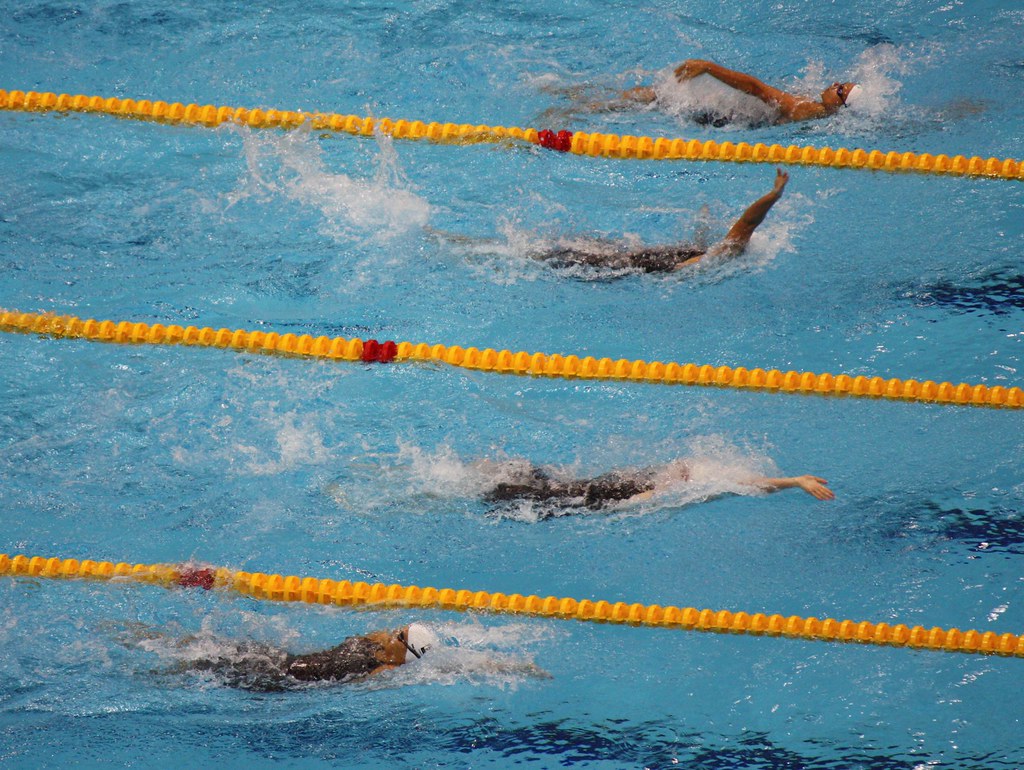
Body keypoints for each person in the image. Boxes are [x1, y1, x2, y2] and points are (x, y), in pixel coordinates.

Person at [538, 168, 788, 273]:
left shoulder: (725, 253)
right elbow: (746, 225)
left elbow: (748, 223)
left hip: (630, 266)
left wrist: (774, 196)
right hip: (632, 262)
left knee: (559, 254)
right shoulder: (718, 258)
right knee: (561, 254)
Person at [126, 623, 437, 691]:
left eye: (401, 635)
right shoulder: (378, 643)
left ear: (404, 652)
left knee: (202, 664)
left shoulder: (381, 669)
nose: (395, 630)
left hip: (280, 678)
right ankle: (136, 636)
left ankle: (140, 680)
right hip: (279, 659)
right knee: (202, 643)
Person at [481, 458, 833, 515]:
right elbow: (740, 483)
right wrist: (793, 481)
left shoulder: (667, 485)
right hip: (570, 491)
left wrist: (793, 482)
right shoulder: (676, 482)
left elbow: (743, 484)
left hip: (571, 495)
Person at [620, 59, 859, 125]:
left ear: (840, 104)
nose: (835, 83)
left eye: (840, 89)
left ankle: (595, 107)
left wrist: (708, 68)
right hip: (740, 120)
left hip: (727, 119)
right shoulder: (820, 114)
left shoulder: (803, 109)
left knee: (656, 96)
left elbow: (756, 89)